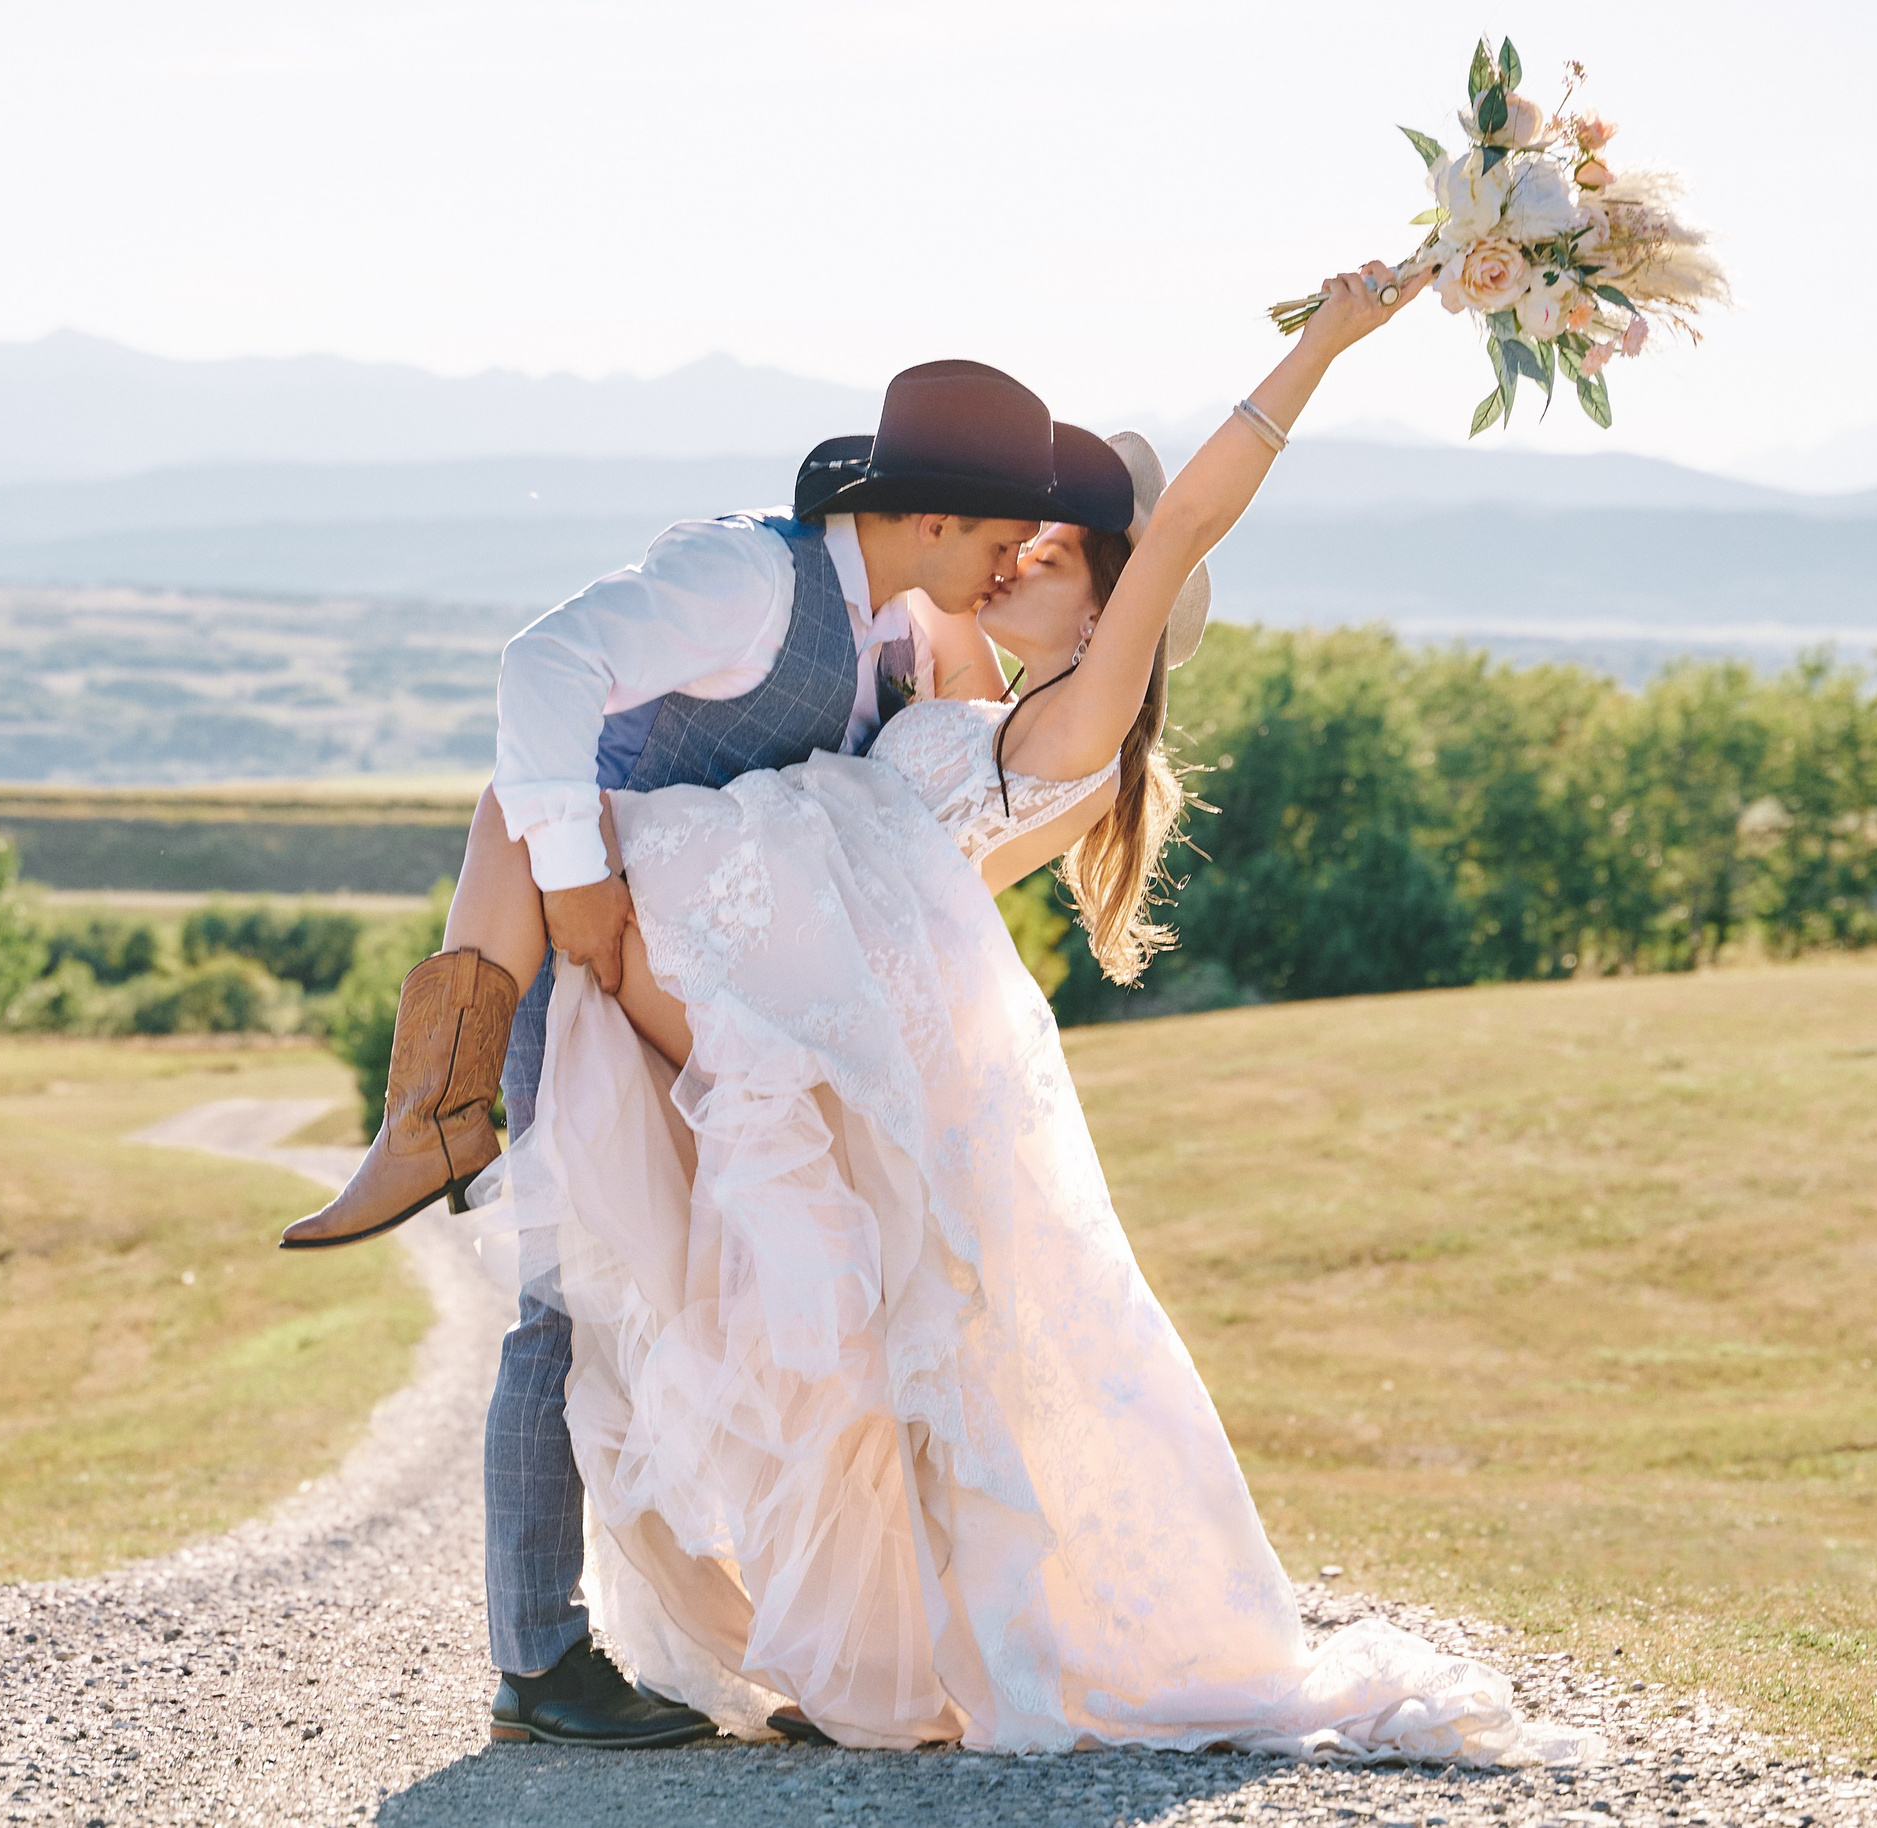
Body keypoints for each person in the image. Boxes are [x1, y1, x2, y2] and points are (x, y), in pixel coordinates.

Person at [480, 264, 1591, 1764]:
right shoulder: (966, 692)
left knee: (846, 1338)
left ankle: (847, 1655)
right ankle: (850, 1654)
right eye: (1020, 538)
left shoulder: (1073, 723)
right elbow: (905, 587)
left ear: (1115, 605)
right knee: (837, 1343)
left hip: (784, 999)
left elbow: (1179, 520)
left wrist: (1326, 343)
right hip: (787, 999)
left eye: (1054, 554)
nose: (1022, 559)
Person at [277, 359, 1130, 1749]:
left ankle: (820, 1636)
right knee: (569, 1302)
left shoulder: (898, 635)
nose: (1007, 560)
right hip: (593, 967)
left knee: (739, 1300)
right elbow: (544, 667)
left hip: (719, 1006)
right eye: (996, 535)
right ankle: (538, 1661)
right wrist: (576, 885)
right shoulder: (748, 578)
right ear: (929, 521)